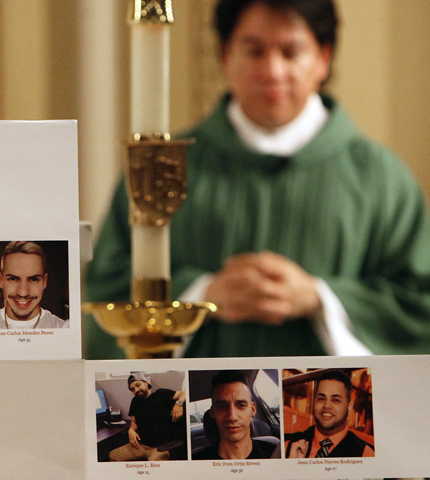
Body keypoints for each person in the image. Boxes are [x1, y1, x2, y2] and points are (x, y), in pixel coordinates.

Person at [85, 0, 430, 358]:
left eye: (291, 52)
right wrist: (204, 293)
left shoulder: (381, 179)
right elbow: (105, 289)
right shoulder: (159, 169)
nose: (272, 70)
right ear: (225, 55)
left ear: (323, 59)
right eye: (254, 51)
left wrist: (319, 299)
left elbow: (418, 308)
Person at [0, 241, 69, 329]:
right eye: (13, 279)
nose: (23, 293)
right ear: (1, 280)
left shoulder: (63, 329)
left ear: (44, 282)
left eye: (33, 279)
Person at [285, 370, 375, 458]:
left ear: (349, 407)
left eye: (336, 400)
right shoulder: (288, 445)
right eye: (321, 399)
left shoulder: (365, 454)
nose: (327, 405)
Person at [193, 371, 277, 460]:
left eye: (241, 405)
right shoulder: (195, 461)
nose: (232, 417)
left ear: (252, 409)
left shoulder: (276, 453)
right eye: (221, 407)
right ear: (212, 412)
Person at [108, 373, 186, 462]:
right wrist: (131, 430)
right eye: (132, 389)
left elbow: (183, 393)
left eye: (138, 385)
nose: (136, 390)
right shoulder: (135, 402)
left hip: (160, 448)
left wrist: (178, 404)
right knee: (113, 456)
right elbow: (134, 422)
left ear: (145, 383)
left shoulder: (161, 394)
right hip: (141, 445)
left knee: (153, 468)